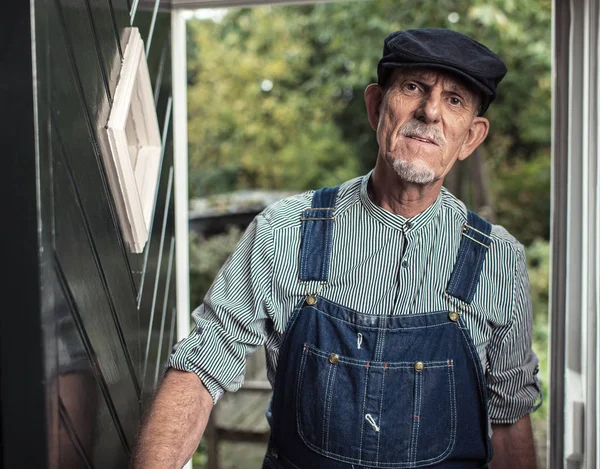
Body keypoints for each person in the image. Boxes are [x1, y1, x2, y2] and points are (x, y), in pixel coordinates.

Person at [132, 28, 542, 469]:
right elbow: (198, 371)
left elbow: (508, 417)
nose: (430, 112)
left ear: (471, 137)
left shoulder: (498, 259)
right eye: (412, 87)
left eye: (455, 100)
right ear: (375, 106)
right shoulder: (284, 231)